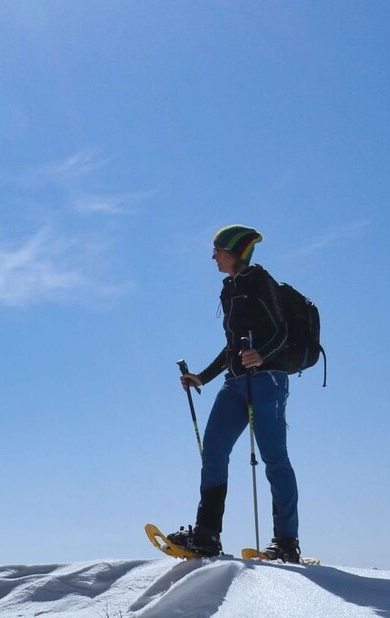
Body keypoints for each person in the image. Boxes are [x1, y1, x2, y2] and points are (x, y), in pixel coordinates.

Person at [167, 225, 301, 562]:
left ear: (235, 252)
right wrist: (203, 377)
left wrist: (263, 356)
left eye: (218, 250)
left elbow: (282, 331)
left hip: (268, 380)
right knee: (213, 451)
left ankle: (286, 542)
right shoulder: (228, 290)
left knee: (274, 459)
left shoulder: (261, 281)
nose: (213, 257)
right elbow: (231, 346)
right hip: (235, 382)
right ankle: (207, 535)